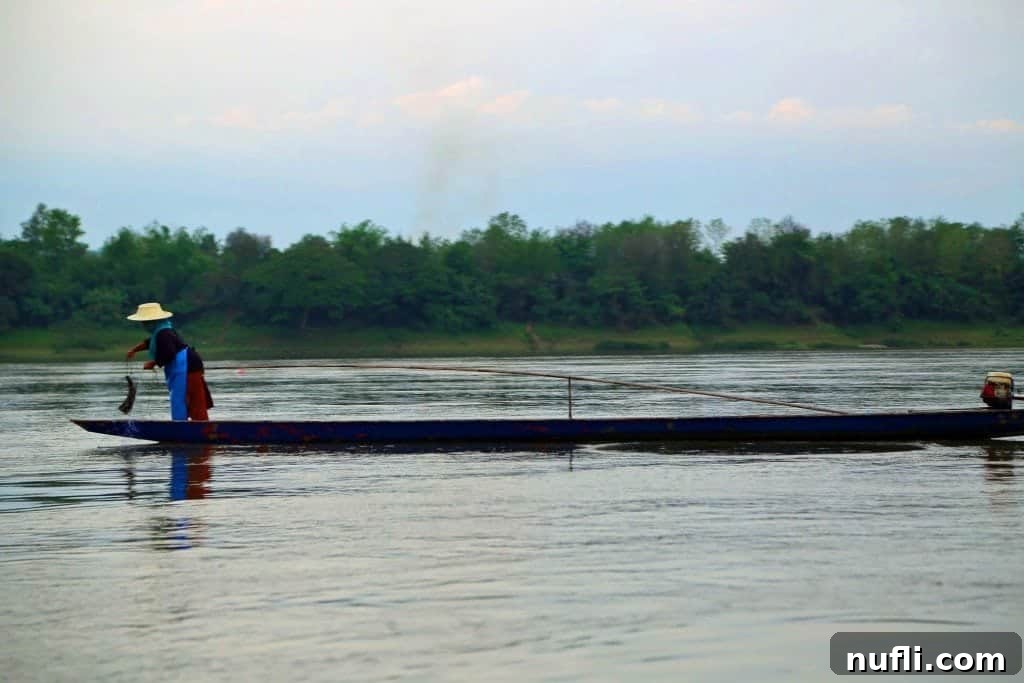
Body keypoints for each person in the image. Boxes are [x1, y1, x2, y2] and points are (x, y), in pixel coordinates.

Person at [125, 302, 213, 420]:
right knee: (191, 398)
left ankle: (190, 426)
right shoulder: (163, 330)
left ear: (152, 322)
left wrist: (153, 363)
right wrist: (134, 350)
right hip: (189, 364)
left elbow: (169, 353)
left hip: (186, 365)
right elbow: (149, 342)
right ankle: (199, 425)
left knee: (186, 398)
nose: (143, 325)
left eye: (145, 322)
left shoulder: (163, 333)